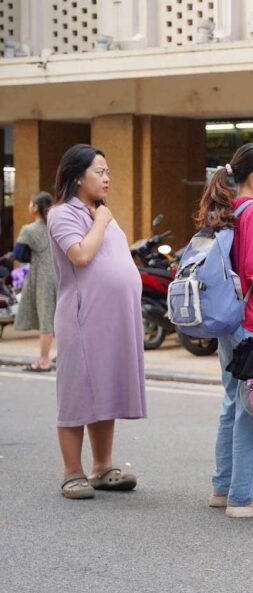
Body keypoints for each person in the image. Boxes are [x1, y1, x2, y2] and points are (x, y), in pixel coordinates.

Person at [47, 145, 146, 500]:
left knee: (104, 384)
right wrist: (101, 221)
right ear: (77, 177)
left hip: (113, 317)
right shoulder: (62, 214)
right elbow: (81, 254)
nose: (107, 178)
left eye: (107, 172)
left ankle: (102, 467)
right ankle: (72, 472)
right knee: (77, 389)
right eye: (99, 172)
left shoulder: (100, 212)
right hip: (83, 315)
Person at [197, 143, 253, 518]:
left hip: (232, 323)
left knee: (234, 404)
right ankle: (243, 496)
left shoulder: (230, 211)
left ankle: (224, 488)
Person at [14, 192, 57, 372]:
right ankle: (62, 356)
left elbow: (19, 254)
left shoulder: (29, 230)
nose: (29, 206)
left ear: (36, 207)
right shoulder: (55, 227)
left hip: (42, 275)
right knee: (60, 318)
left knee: (46, 318)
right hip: (60, 274)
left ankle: (44, 360)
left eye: (30, 203)